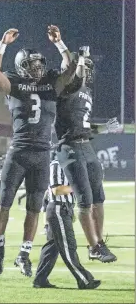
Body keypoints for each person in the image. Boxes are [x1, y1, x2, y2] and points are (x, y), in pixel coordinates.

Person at [0, 25, 83, 276]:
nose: (38, 68)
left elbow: (71, 69)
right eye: (32, 64)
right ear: (21, 66)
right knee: (5, 201)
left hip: (42, 153)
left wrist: (60, 43)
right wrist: (3, 44)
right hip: (19, 151)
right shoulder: (14, 84)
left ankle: (23, 254)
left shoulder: (51, 83)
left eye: (39, 63)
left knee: (34, 207)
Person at [55, 48, 118, 263]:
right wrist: (76, 58)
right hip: (70, 147)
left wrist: (103, 129)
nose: (88, 72)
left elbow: (83, 125)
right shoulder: (64, 88)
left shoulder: (87, 93)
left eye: (89, 68)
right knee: (85, 201)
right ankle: (93, 246)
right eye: (85, 67)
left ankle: (99, 242)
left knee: (98, 198)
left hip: (86, 146)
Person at [33, 150, 101, 289]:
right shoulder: (57, 165)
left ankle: (40, 279)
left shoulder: (67, 166)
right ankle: (85, 280)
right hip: (59, 208)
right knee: (68, 246)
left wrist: (70, 209)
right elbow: (56, 190)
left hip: (64, 208)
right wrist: (78, 187)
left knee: (52, 247)